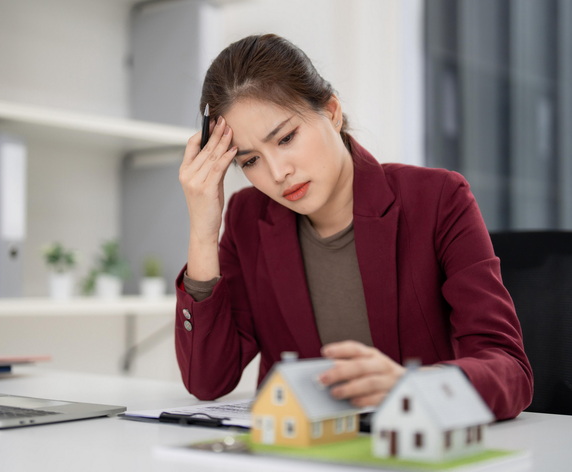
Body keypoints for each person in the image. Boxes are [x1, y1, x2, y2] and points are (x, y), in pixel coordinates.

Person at [175, 34, 533, 420]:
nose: (278, 173)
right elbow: (207, 380)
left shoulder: (439, 198)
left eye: (286, 138)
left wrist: (414, 387)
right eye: (250, 162)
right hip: (306, 456)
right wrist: (202, 232)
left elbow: (510, 369)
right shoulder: (248, 217)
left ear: (331, 111)